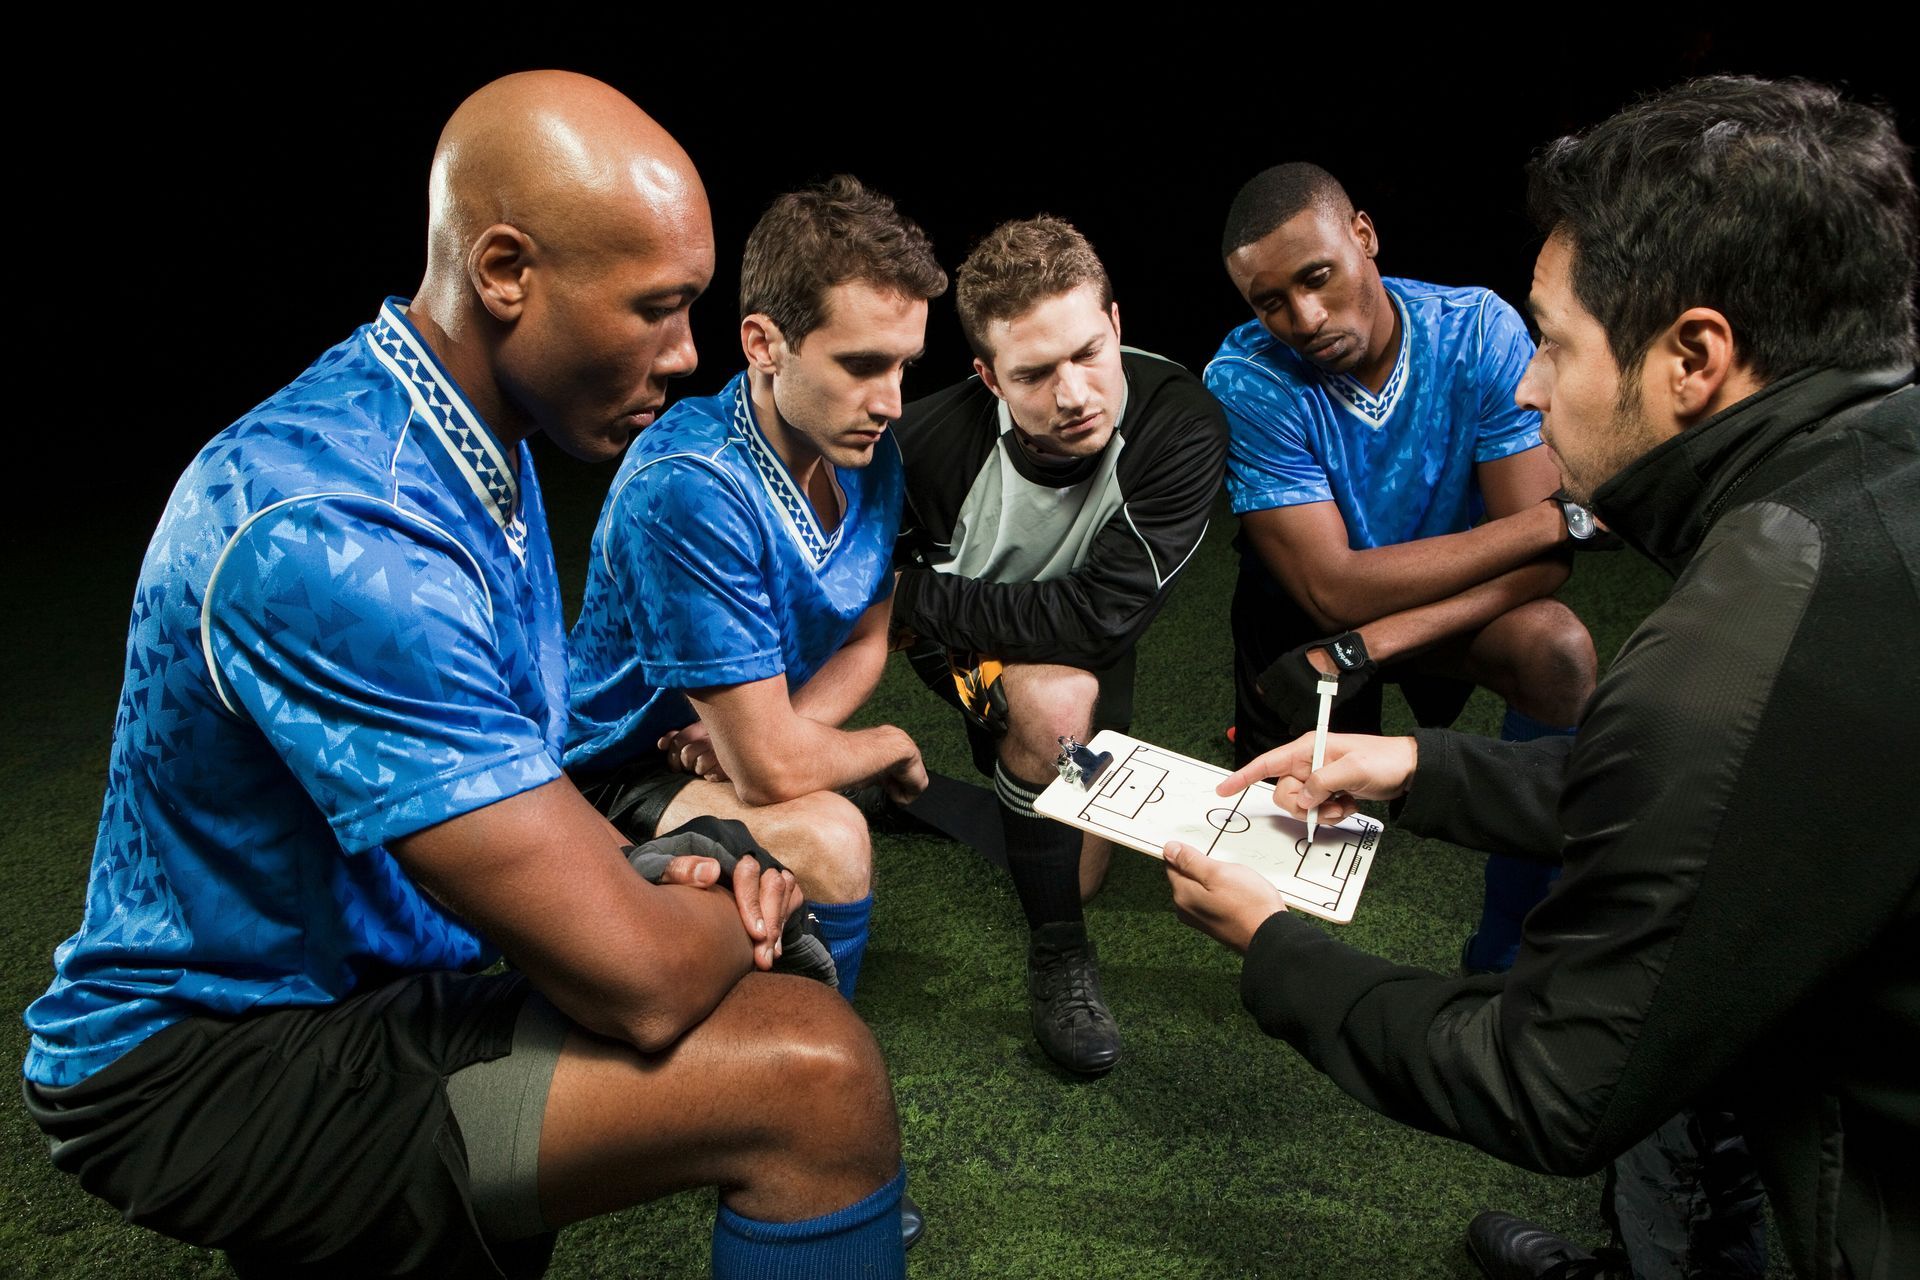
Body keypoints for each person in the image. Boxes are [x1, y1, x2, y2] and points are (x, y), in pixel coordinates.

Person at [21, 73, 912, 1278]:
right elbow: (642, 982)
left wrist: (644, 875)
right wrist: (714, 902)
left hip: (377, 977)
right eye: (658, 307)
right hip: (206, 1051)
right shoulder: (341, 526)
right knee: (818, 1075)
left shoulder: (458, 429)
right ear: (505, 273)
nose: (687, 352)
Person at [1166, 76, 1917, 1280]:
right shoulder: (1868, 482)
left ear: (1694, 358)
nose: (1527, 386)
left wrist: (1275, 949)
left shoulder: (1734, 635)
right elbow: (1726, 793)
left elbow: (1552, 1083)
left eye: (1555, 342)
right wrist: (1419, 766)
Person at [1205, 164, 1601, 974]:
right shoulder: (1245, 376)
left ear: (1364, 236)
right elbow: (1332, 590)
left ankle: (1507, 952)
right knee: (1287, 839)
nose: (1303, 318)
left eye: (1317, 277)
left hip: (1436, 612)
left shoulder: (1476, 329)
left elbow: (1547, 567)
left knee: (1558, 650)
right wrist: (1546, 520)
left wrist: (1375, 644)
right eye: (1268, 301)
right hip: (1299, 622)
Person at [564, 175, 945, 1000]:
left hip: (731, 745)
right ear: (764, 343)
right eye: (861, 364)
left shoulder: (869, 456)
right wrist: (889, 746)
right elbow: (773, 774)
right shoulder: (689, 485)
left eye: (905, 366)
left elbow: (865, 637)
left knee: (805, 807)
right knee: (833, 835)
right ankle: (794, 1063)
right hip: (605, 778)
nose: (891, 401)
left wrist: (777, 735)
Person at [892, 216, 1229, 1075]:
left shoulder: (1174, 422)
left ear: (1116, 324)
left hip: (1083, 639)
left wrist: (918, 595)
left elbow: (1102, 620)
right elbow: (869, 610)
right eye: (1034, 374)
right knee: (1052, 712)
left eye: (1087, 352)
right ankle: (1059, 959)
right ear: (987, 377)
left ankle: (908, 795)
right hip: (964, 657)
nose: (1073, 394)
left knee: (1078, 856)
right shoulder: (922, 448)